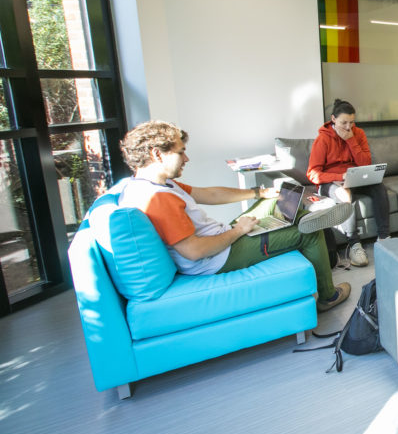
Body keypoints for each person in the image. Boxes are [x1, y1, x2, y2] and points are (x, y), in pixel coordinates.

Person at [117, 120, 352, 312]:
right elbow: (194, 251)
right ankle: (327, 296)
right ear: (157, 154)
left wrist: (259, 192)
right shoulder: (157, 198)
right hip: (218, 257)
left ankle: (304, 217)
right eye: (181, 152)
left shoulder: (156, 184)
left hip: (219, 238)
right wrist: (239, 230)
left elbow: (209, 194)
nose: (186, 159)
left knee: (274, 200)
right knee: (309, 234)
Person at [306, 99, 391, 267]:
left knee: (379, 187)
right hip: (331, 181)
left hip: (354, 176)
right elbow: (313, 173)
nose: (348, 127)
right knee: (345, 194)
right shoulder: (323, 139)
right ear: (333, 119)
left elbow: (365, 162)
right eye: (343, 123)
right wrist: (338, 176)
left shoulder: (357, 134)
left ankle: (384, 238)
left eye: (351, 122)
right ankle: (354, 244)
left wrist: (351, 141)